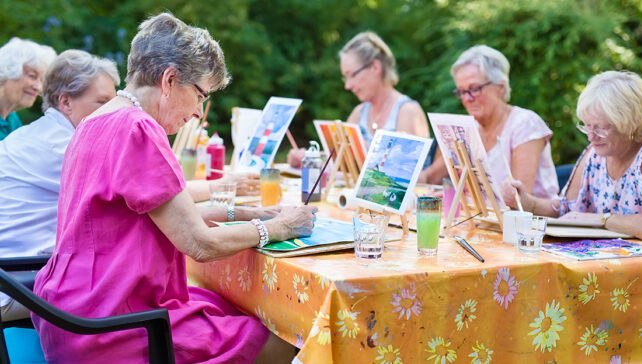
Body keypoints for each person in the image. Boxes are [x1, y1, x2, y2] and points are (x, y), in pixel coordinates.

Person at [32, 13, 315, 363]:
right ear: (169, 80)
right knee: (291, 341)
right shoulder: (139, 130)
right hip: (115, 325)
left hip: (70, 312)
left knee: (226, 306)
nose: (199, 111)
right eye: (200, 95)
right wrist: (279, 227)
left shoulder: (96, 121)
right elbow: (199, 243)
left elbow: (166, 218)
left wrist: (251, 213)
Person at [503, 71, 642, 242]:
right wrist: (527, 201)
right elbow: (566, 210)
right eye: (587, 126)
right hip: (615, 266)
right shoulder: (595, 154)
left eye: (600, 128)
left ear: (629, 123)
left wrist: (600, 219)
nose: (591, 136)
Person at [0, 49, 119, 321]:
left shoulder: (37, 133)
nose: (113, 113)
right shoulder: (67, 148)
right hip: (14, 283)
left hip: (11, 271)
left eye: (114, 103)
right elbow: (149, 199)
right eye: (102, 102)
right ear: (66, 102)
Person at [420, 45, 558, 200]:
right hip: (483, 222)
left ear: (500, 87)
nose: (467, 99)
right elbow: (430, 178)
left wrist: (459, 201)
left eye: (474, 89)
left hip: (536, 222)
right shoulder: (467, 130)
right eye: (462, 91)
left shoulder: (525, 123)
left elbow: (519, 198)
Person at [287, 31, 429, 167]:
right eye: (345, 77)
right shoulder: (359, 113)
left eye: (352, 75)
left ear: (375, 67)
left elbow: (409, 177)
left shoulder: (407, 111)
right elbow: (338, 160)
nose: (347, 86)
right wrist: (307, 159)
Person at [0, 37, 56, 140]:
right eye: (32, 76)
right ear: (8, 70)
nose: (38, 87)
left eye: (42, 80)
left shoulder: (11, 118)